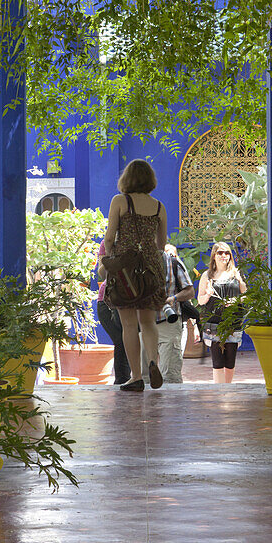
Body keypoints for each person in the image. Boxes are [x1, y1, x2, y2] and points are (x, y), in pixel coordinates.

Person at [101, 159, 168, 392]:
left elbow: (109, 237)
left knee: (129, 325)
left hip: (125, 270)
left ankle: (136, 377)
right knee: (148, 322)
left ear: (126, 178)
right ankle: (153, 361)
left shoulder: (120, 201)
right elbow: (162, 243)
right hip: (150, 269)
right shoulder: (159, 206)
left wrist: (112, 258)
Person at [140, 244, 194, 384]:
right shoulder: (137, 263)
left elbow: (190, 291)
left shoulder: (173, 262)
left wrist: (173, 298)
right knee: (143, 377)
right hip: (144, 323)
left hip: (168, 322)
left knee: (171, 376)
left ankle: (172, 406)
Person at [197, 241, 247, 383]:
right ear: (214, 255)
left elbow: (246, 295)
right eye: (220, 252)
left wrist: (236, 301)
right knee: (217, 362)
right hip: (214, 323)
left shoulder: (236, 274)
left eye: (227, 253)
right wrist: (208, 294)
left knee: (230, 361)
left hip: (233, 322)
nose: (223, 255)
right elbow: (200, 300)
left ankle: (228, 391)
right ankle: (219, 392)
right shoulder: (207, 276)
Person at [96, 240, 131, 385]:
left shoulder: (136, 241)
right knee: (120, 340)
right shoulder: (107, 243)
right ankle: (123, 380)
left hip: (132, 298)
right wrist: (112, 259)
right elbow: (102, 274)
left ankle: (130, 378)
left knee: (130, 338)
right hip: (107, 300)